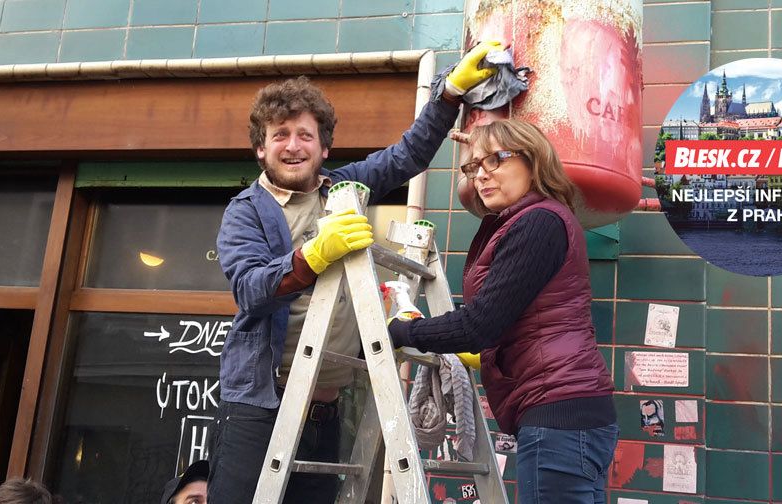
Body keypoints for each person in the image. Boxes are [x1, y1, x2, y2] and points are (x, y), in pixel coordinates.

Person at [210, 41, 503, 504]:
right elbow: (250, 290)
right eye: (280, 134)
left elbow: (406, 156)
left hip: (327, 405)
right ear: (260, 150)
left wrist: (448, 95)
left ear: (324, 146)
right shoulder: (245, 212)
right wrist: (313, 254)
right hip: (261, 405)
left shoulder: (346, 189)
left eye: (305, 135)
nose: (293, 145)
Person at [388, 119, 618, 504]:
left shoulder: (538, 222)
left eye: (495, 159)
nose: (481, 174)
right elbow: (511, 320)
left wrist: (405, 332)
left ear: (534, 161)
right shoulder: (534, 220)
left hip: (557, 414)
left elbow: (481, 324)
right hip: (571, 413)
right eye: (474, 166)